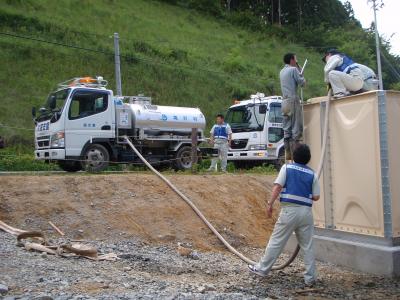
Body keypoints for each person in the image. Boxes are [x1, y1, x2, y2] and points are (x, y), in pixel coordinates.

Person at [248, 144, 320, 286]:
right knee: (308, 246)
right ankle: (310, 278)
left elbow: (278, 187)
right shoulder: (313, 174)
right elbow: (316, 197)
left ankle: (262, 269)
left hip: (289, 211)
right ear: (308, 158)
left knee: (277, 241)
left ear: (294, 156)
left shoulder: (286, 168)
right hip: (306, 213)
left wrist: (269, 204)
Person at [280, 53, 306, 161]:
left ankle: (288, 155)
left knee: (287, 129)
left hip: (284, 101)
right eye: (296, 59)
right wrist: (299, 70)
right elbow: (302, 83)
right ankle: (296, 156)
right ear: (291, 60)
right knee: (296, 128)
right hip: (292, 100)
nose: (296, 61)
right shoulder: (293, 70)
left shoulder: (282, 71)